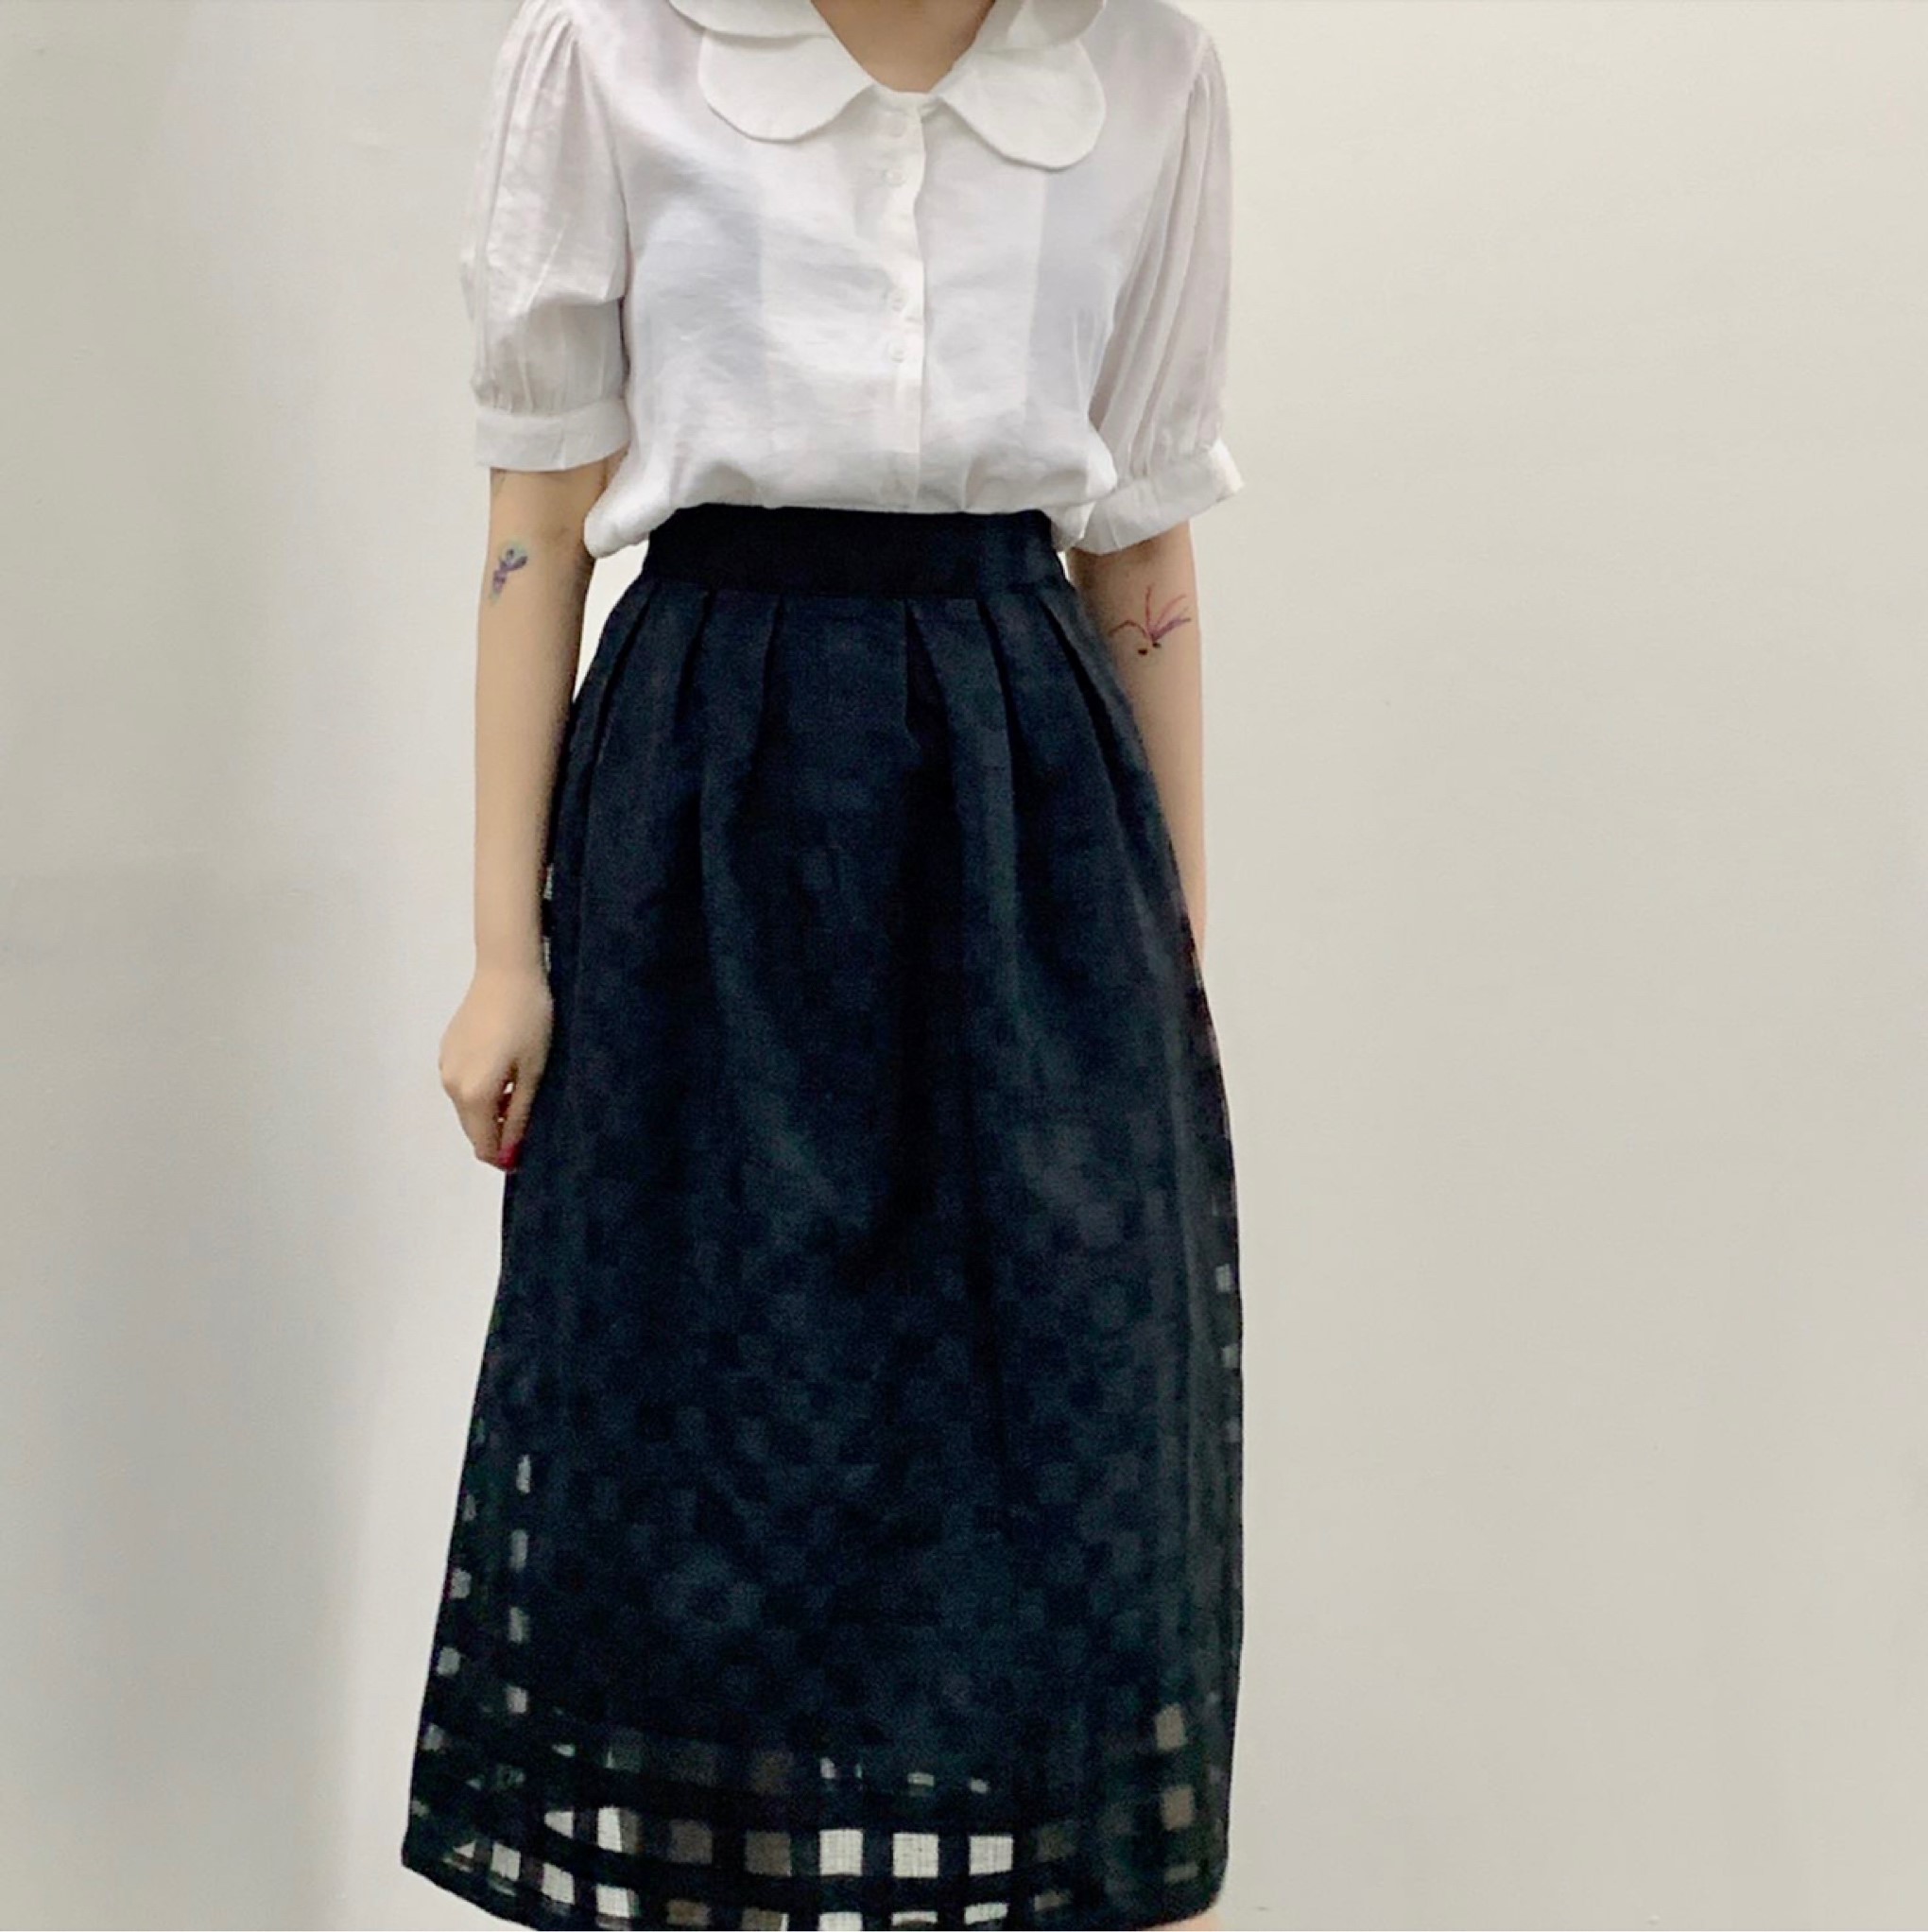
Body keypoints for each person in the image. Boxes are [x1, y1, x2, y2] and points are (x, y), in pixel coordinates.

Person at [401, 0, 1245, 1924]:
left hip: (1027, 821)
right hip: (710, 800)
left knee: (1062, 1470)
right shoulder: (612, 49)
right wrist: (503, 950)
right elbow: (539, 519)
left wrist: (1171, 955)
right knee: (704, 1481)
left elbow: (1145, 549)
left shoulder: (1146, 71)